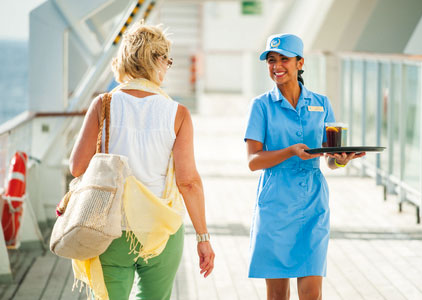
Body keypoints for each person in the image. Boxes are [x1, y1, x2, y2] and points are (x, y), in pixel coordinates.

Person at [69, 21, 214, 300]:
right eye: (167, 61)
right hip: (161, 232)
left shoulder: (104, 104)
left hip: (110, 227)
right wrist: (203, 238)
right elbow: (188, 182)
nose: (167, 68)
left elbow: (77, 167)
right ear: (157, 61)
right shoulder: (177, 113)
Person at [244, 33, 365, 300]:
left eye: (284, 59)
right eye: (271, 60)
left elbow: (330, 158)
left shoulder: (321, 104)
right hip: (275, 204)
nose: (276, 66)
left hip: (313, 204)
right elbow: (253, 161)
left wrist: (340, 160)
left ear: (300, 63)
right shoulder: (261, 106)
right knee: (277, 295)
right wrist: (290, 151)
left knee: (312, 293)